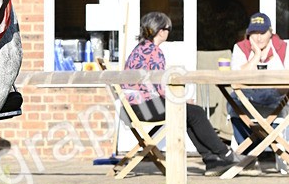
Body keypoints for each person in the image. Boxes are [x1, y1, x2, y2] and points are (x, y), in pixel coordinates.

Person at [123, 11, 247, 175]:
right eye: (168, 29)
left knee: (188, 113)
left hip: (134, 107)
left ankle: (212, 161)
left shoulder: (139, 50)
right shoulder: (154, 52)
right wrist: (180, 100)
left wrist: (180, 102)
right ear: (160, 31)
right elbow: (159, 87)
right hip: (144, 108)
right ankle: (225, 154)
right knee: (195, 112)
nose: (168, 32)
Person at [228, 12, 289, 171]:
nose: (259, 37)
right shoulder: (240, 48)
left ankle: (282, 155)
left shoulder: (283, 48)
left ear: (271, 32)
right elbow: (235, 79)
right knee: (233, 101)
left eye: (263, 32)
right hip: (248, 100)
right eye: (254, 33)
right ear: (248, 34)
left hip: (276, 99)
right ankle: (248, 155)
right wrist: (255, 56)